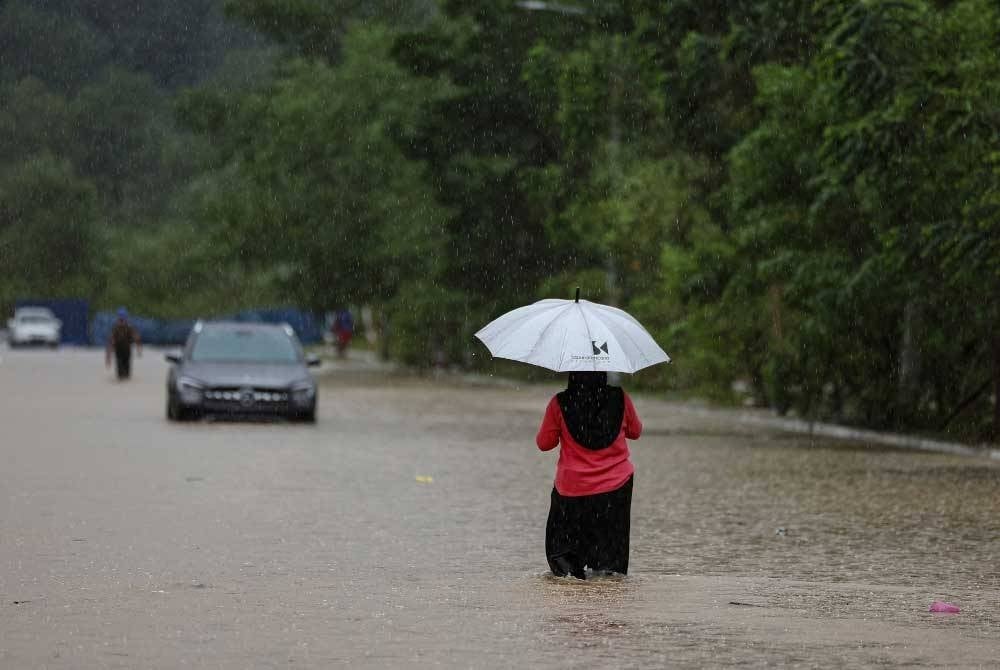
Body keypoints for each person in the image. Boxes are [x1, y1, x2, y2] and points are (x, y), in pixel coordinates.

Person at [536, 371, 642, 579]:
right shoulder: (620, 398)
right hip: (615, 488)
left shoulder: (559, 403)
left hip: (573, 489)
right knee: (608, 565)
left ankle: (572, 582)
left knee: (564, 559)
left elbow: (544, 443)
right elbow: (635, 431)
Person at [105, 308, 142, 380]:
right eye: (120, 320)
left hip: (127, 351)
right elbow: (110, 342)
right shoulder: (115, 329)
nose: (121, 322)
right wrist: (108, 357)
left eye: (123, 320)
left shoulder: (130, 328)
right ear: (118, 319)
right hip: (118, 351)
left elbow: (137, 338)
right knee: (120, 374)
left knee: (127, 374)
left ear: (126, 319)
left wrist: (139, 349)